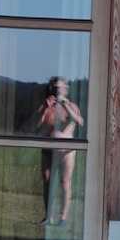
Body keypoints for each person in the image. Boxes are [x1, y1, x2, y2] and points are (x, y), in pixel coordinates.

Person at [34, 76, 85, 226]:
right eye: (55, 88)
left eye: (60, 88)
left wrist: (65, 104)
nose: (57, 90)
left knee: (65, 182)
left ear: (66, 89)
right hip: (48, 148)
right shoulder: (47, 106)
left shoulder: (72, 105)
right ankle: (48, 216)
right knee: (47, 180)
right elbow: (36, 125)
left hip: (66, 151)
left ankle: (63, 217)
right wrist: (45, 107)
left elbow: (79, 121)